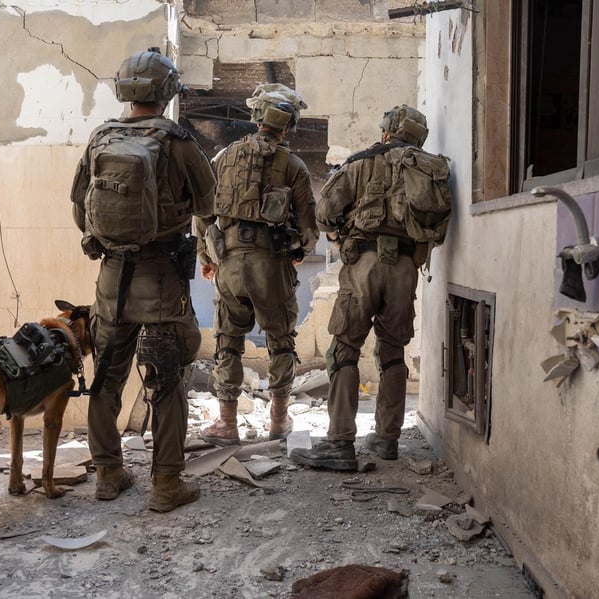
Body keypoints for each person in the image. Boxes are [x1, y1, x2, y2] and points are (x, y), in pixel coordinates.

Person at [70, 48, 217, 511]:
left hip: (111, 280)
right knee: (166, 381)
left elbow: (79, 207)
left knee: (106, 379)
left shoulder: (101, 138)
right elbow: (208, 204)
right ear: (167, 90)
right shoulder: (177, 141)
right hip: (162, 281)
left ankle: (109, 473)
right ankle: (166, 484)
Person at [290, 105, 452, 470]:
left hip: (364, 264)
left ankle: (340, 444)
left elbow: (325, 213)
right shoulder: (429, 169)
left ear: (387, 133)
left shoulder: (362, 163)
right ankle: (386, 439)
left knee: (344, 350)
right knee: (393, 351)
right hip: (407, 267)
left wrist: (340, 232)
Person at [194, 83, 319, 446]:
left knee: (228, 343)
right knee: (281, 342)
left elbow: (203, 213)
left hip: (230, 262)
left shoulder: (222, 157)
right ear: (289, 124)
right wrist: (298, 250)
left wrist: (206, 258)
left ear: (257, 117)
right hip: (273, 264)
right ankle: (279, 422)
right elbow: (308, 225)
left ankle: (227, 424)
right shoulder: (293, 165)